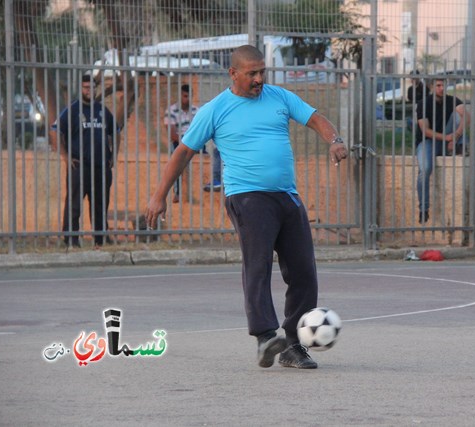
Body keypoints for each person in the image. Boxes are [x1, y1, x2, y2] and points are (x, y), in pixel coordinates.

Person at [146, 45, 348, 369]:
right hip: (246, 195)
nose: (258, 79)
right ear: (233, 73)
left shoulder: (279, 97)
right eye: (252, 73)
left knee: (304, 271)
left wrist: (334, 139)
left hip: (287, 195)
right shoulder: (215, 109)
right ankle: (266, 336)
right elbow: (183, 152)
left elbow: (315, 118)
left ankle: (293, 346)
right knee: (258, 263)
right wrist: (159, 196)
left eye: (262, 72)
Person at [54, 74, 119, 249]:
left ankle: (100, 239)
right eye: (85, 88)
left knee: (100, 205)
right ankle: (71, 239)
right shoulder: (73, 110)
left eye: (91, 87)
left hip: (101, 165)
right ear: (80, 89)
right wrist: (65, 156)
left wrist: (114, 155)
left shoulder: (101, 110)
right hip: (79, 165)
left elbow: (115, 131)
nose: (89, 91)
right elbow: (57, 131)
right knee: (74, 204)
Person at [415, 76, 469, 223]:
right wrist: (447, 138)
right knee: (425, 169)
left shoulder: (452, 100)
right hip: (428, 142)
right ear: (432, 87)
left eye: (444, 85)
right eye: (438, 85)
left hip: (449, 138)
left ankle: (459, 145)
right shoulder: (423, 104)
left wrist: (455, 136)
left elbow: (467, 117)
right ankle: (424, 209)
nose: (442, 88)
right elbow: (425, 130)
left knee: (460, 111)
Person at [164, 84, 221, 201]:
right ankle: (178, 192)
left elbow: (202, 129)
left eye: (189, 96)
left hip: (195, 139)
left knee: (211, 155)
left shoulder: (196, 110)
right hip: (179, 140)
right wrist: (188, 142)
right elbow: (172, 133)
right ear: (180, 95)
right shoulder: (171, 110)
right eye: (185, 96)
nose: (187, 99)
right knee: (176, 161)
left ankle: (209, 184)